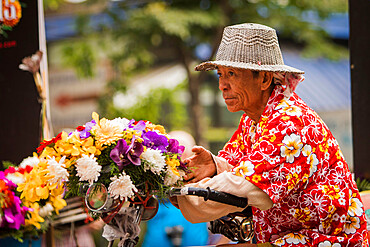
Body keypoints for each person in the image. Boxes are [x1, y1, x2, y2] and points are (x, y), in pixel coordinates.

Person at [170, 23, 369, 246]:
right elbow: (239, 165)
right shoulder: (254, 119)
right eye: (220, 74)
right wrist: (214, 165)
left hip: (327, 240)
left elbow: (244, 185)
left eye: (232, 74)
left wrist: (173, 186)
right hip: (291, 238)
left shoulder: (289, 123)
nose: (222, 85)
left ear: (264, 79)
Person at [142, 131, 209, 247]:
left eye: (183, 152)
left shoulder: (205, 183)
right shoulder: (153, 182)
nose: (179, 158)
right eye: (174, 153)